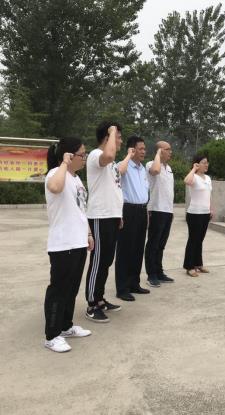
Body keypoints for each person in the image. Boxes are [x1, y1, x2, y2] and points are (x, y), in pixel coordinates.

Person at [43, 137, 93, 352]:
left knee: (71, 288)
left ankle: (65, 326)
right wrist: (63, 163)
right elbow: (55, 187)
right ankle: (51, 335)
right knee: (59, 289)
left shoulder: (77, 179)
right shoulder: (56, 173)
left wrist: (88, 233)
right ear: (70, 155)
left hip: (78, 242)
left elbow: (81, 208)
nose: (85, 158)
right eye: (82, 154)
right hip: (63, 244)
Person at [84, 122, 124, 323]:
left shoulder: (113, 164)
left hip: (112, 216)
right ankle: (91, 304)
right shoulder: (95, 155)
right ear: (108, 137)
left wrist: (119, 214)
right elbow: (108, 155)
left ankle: (99, 299)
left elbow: (115, 189)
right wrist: (112, 130)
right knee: (98, 261)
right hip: (100, 216)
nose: (121, 141)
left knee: (107, 261)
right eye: (118, 137)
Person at [115, 136, 150, 301]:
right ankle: (122, 288)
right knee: (125, 250)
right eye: (140, 148)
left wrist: (146, 211)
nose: (144, 151)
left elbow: (144, 191)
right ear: (132, 149)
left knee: (138, 249)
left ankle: (134, 283)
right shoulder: (124, 165)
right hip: (128, 210)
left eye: (144, 149)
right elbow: (119, 172)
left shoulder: (142, 169)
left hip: (142, 210)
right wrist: (128, 156)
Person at [145, 141, 175, 286]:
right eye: (167, 149)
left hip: (167, 211)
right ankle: (151, 275)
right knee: (153, 244)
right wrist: (157, 154)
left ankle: (159, 272)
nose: (171, 152)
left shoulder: (169, 168)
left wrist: (172, 211)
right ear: (160, 151)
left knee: (161, 244)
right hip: (156, 210)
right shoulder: (151, 164)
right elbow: (155, 171)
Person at [183, 154, 213, 277]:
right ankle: (189, 266)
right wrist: (193, 169)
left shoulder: (208, 178)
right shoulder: (193, 177)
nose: (206, 164)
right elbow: (186, 181)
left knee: (200, 240)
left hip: (205, 213)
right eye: (204, 162)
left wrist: (211, 209)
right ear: (197, 164)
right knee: (193, 240)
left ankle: (198, 264)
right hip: (194, 213)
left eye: (207, 162)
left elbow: (209, 195)